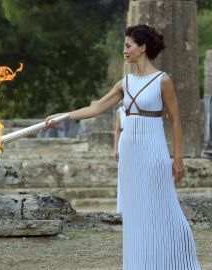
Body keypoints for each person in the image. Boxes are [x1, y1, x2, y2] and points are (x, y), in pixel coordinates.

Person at [45, 24, 200, 269]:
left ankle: (179, 261)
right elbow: (95, 108)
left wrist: (178, 158)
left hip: (154, 149)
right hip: (130, 152)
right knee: (135, 211)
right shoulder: (125, 83)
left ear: (142, 48)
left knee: (165, 206)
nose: (124, 50)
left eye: (128, 46)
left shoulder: (163, 80)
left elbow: (175, 120)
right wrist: (62, 117)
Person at [113, 106, 126, 214]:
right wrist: (115, 149)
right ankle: (123, 208)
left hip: (138, 142)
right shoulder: (120, 111)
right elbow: (117, 130)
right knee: (124, 175)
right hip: (124, 143)